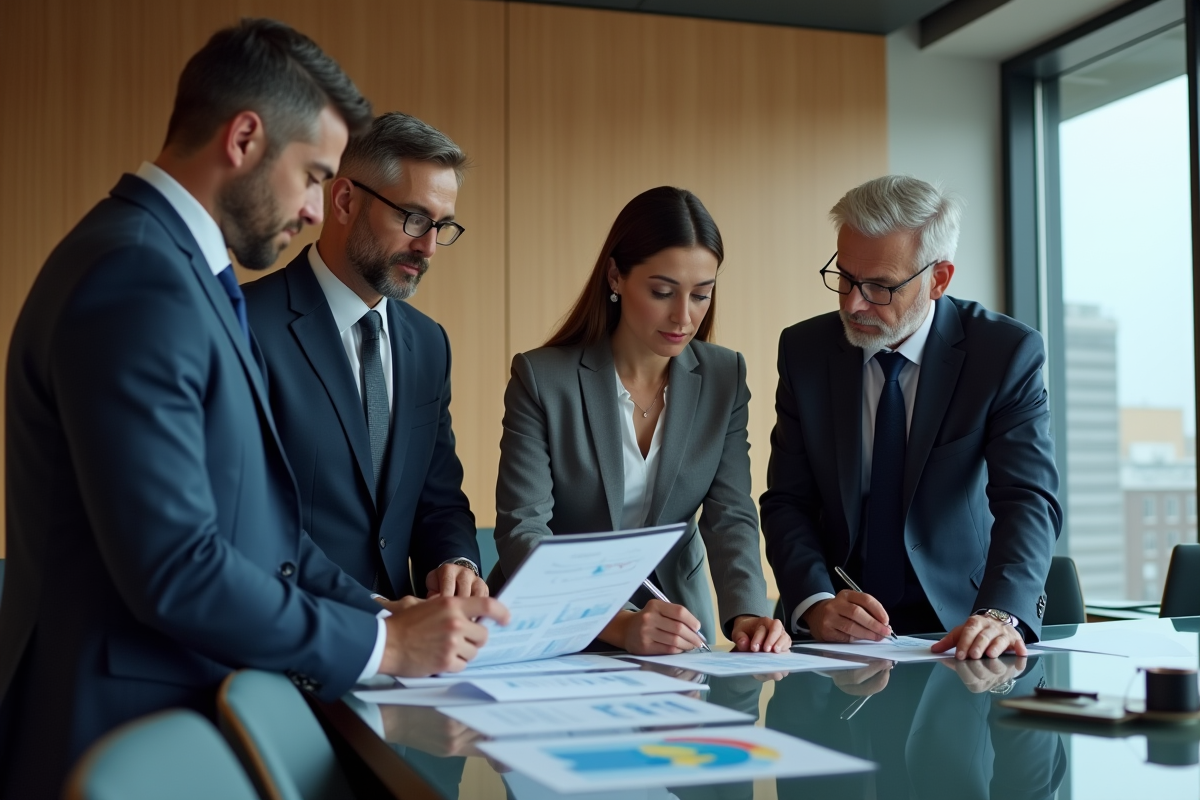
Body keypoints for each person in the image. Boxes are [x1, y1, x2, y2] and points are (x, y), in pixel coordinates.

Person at [0, 20, 506, 797]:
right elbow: (177, 565)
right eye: (311, 176)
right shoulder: (137, 276)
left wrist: (383, 613)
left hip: (191, 707)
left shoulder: (181, 272)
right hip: (117, 728)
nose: (313, 209)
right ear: (244, 138)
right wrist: (380, 647)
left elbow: (255, 528)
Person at [760, 175, 1061, 659]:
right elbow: (787, 501)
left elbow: (1027, 498)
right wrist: (815, 602)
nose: (853, 303)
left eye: (879, 286)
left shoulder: (1003, 354)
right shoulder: (805, 351)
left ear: (939, 279)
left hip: (961, 628)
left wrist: (1001, 614)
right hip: (834, 632)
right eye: (845, 278)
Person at [493, 186, 788, 655]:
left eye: (701, 295)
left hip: (677, 623)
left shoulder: (724, 376)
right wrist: (617, 624)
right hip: (551, 622)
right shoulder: (542, 378)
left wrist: (749, 611)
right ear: (615, 276)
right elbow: (523, 530)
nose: (683, 316)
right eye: (662, 292)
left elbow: (730, 513)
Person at [243, 112, 483, 600]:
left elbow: (438, 500)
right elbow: (249, 515)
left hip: (412, 652)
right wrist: (373, 615)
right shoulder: (244, 325)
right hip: (292, 637)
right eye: (414, 218)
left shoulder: (429, 344)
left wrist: (454, 562)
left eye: (443, 226)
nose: (429, 246)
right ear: (346, 200)